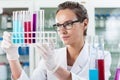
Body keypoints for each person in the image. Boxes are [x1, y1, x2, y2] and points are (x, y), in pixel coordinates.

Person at [1, 1, 111, 80]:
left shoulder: (101, 57)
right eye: (58, 25)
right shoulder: (51, 56)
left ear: (85, 24)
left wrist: (54, 68)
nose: (61, 31)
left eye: (68, 24)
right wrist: (13, 58)